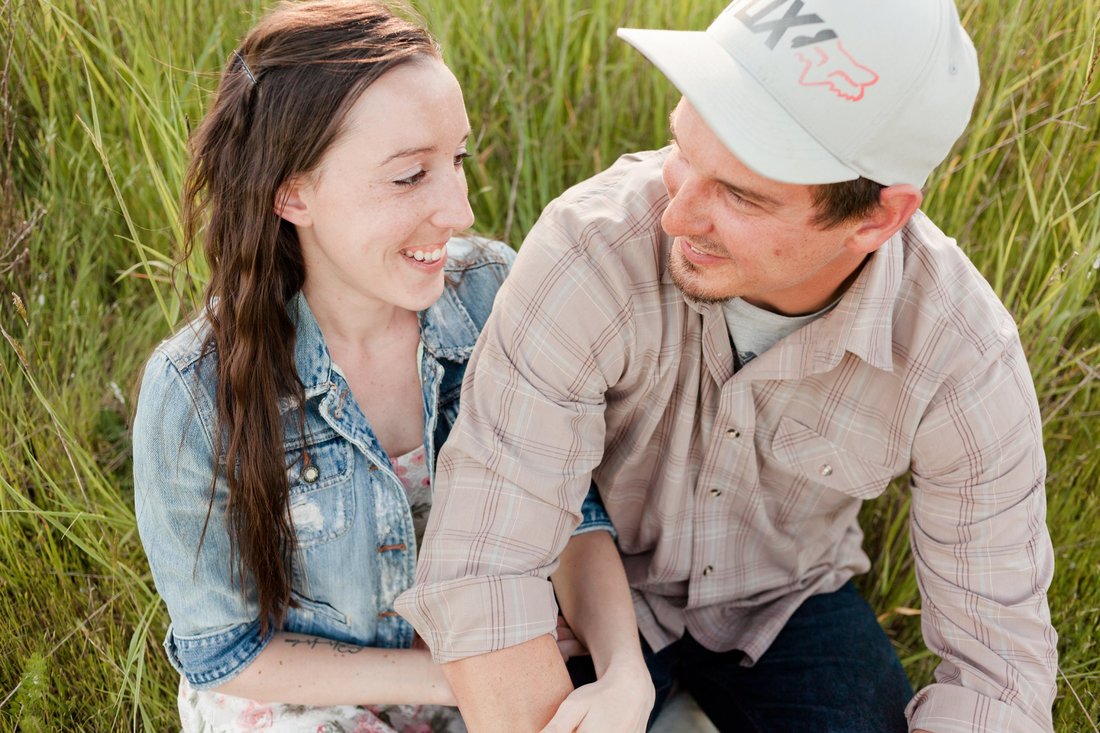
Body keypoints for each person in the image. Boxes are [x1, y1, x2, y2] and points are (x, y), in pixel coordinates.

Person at [395, 1, 1059, 732]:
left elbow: (997, 670)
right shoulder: (590, 249)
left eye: (741, 195)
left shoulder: (962, 358)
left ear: (877, 217)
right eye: (685, 148)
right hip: (589, 595)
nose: (677, 216)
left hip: (786, 601)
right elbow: (488, 564)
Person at [132, 2, 625, 730]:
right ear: (293, 191)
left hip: (486, 653)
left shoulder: (493, 294)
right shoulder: (192, 392)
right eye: (408, 177)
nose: (458, 210)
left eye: (456, 161)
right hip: (308, 694)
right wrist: (456, 674)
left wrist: (622, 673)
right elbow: (224, 651)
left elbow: (574, 511)